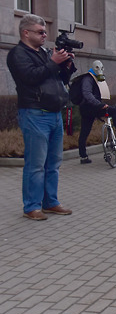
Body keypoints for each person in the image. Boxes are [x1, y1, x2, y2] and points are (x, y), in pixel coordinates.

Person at [6, 14, 76, 220]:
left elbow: (59, 78)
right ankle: (32, 206)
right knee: (36, 164)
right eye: (40, 32)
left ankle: (50, 202)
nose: (45, 35)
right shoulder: (17, 54)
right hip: (34, 113)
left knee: (53, 162)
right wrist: (53, 62)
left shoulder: (45, 53)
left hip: (54, 114)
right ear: (25, 33)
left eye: (45, 32)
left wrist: (67, 66)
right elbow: (31, 77)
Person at [77, 60, 116, 164]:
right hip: (90, 107)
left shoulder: (95, 78)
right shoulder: (88, 79)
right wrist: (99, 104)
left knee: (84, 131)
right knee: (114, 111)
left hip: (90, 107)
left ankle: (83, 156)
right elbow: (87, 94)